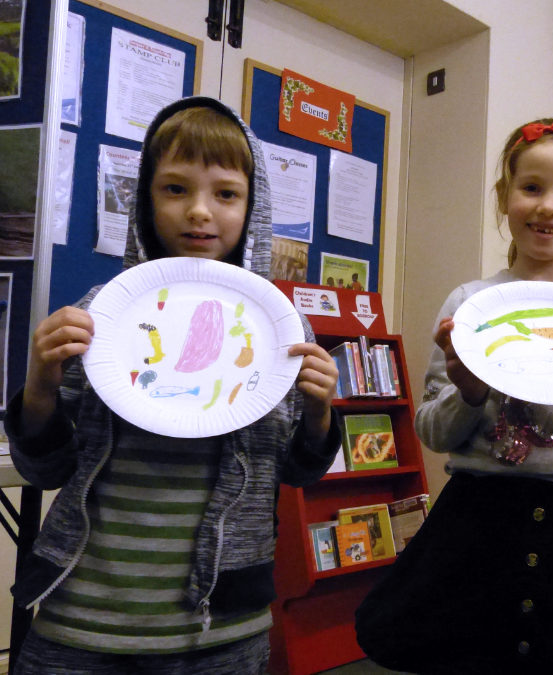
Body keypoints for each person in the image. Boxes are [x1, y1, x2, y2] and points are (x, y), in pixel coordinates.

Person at [5, 97, 341, 674]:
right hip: (85, 617)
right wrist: (39, 383)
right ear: (146, 200)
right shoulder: (103, 314)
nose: (200, 212)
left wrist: (318, 413)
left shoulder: (280, 327)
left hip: (223, 626)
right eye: (175, 189)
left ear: (253, 207)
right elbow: (46, 472)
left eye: (226, 194)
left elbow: (296, 473)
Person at [354, 118, 553, 674]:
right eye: (531, 187)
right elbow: (432, 431)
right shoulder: (472, 303)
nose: (548, 206)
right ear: (505, 197)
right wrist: (469, 393)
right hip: (480, 519)